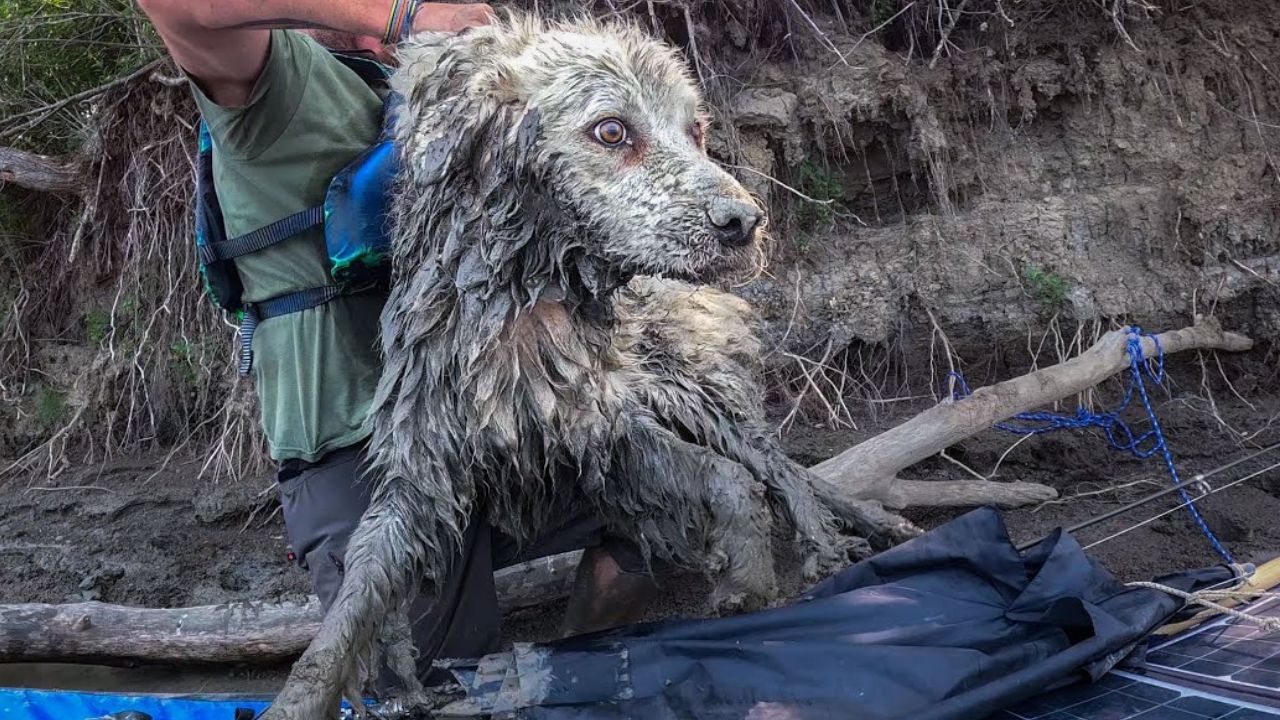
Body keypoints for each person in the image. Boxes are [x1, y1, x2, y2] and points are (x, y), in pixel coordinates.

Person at [137, 0, 660, 686]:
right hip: (361, 458)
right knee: (431, 684)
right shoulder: (273, 88)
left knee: (664, 504)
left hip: (484, 440)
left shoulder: (436, 99)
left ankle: (577, 668)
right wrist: (406, 16)